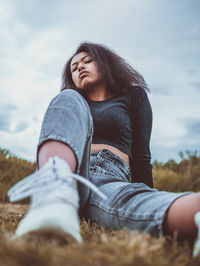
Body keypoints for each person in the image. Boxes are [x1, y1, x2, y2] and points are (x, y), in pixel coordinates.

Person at [7, 42, 200, 257]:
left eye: (87, 61)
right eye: (74, 67)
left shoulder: (133, 96)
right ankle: (53, 199)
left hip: (111, 178)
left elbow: (142, 155)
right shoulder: (72, 100)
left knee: (139, 203)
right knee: (66, 97)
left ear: (106, 63)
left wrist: (144, 189)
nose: (80, 67)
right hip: (69, 174)